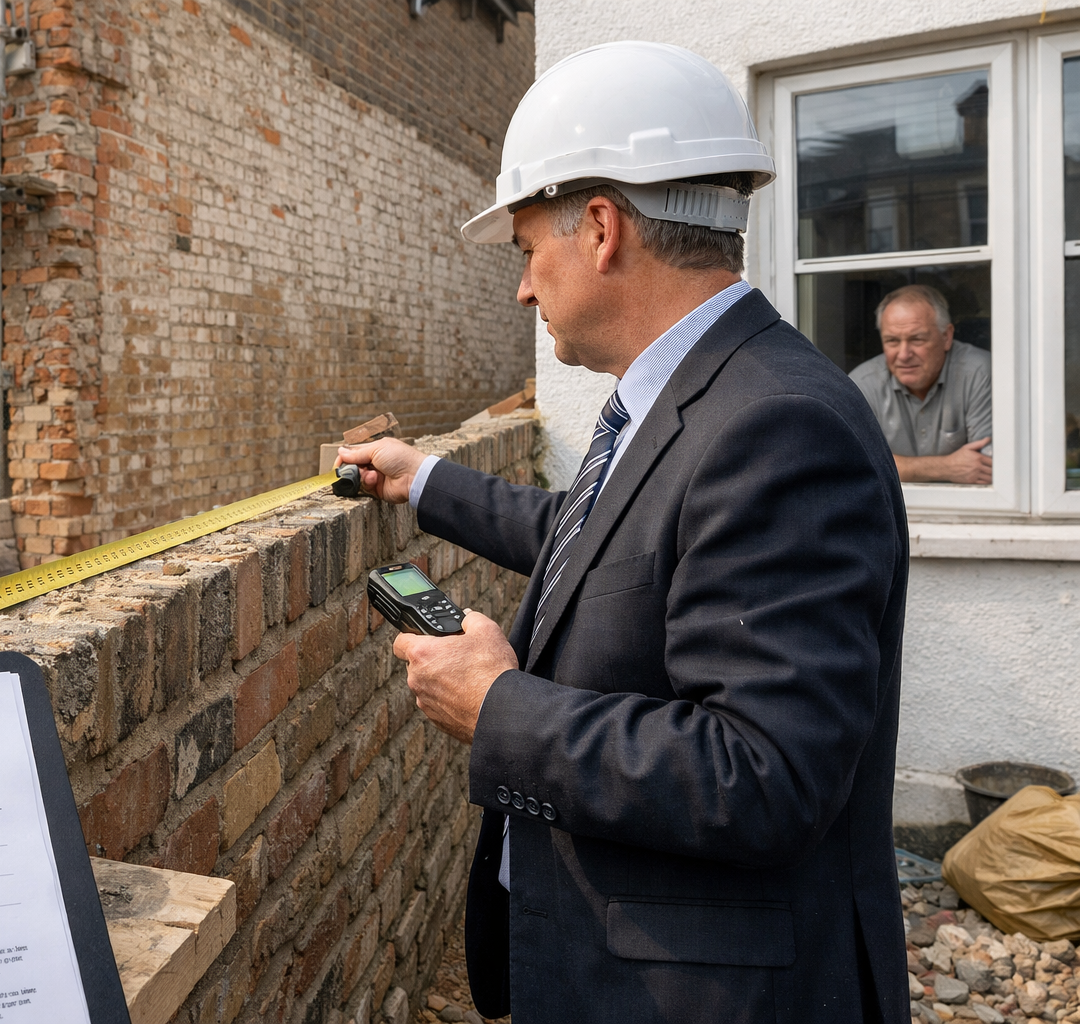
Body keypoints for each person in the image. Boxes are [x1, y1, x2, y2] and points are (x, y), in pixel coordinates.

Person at [338, 41, 910, 1024]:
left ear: (600, 229)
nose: (523, 288)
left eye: (528, 251)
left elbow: (764, 774)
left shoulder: (780, 424)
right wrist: (423, 478)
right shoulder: (694, 397)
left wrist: (499, 706)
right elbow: (602, 538)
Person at [849, 284, 993, 485]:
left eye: (917, 339)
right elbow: (853, 467)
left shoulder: (980, 372)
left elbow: (987, 468)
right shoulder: (862, 384)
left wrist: (893, 468)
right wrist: (947, 467)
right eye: (892, 341)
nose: (904, 354)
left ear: (946, 337)